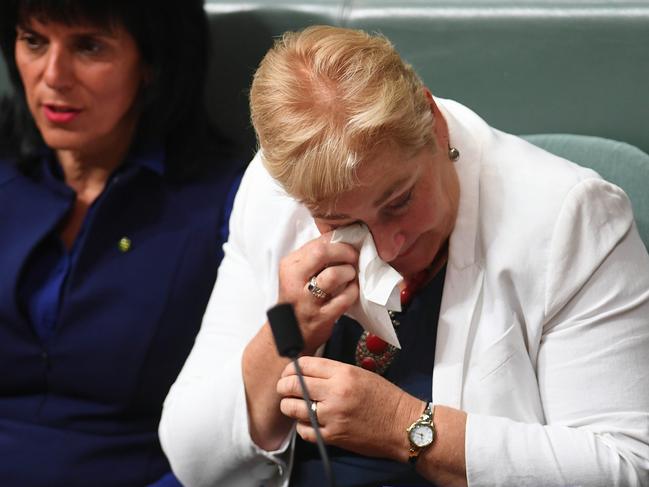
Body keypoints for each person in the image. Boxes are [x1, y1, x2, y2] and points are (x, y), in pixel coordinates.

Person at [159, 25, 649, 486]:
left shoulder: (568, 218)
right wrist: (285, 330)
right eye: (342, 222)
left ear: (434, 125)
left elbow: (626, 466)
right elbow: (191, 458)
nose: (388, 246)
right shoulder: (273, 197)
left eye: (398, 202)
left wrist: (404, 426)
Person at [0, 0, 243, 485]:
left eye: (88, 46)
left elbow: (245, 425)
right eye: (34, 41)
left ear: (152, 63)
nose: (53, 75)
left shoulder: (230, 201)